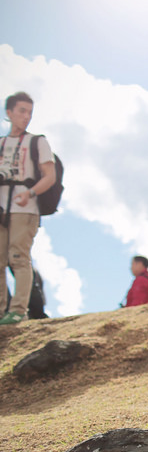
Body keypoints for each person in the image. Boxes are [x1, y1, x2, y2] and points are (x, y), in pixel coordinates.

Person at [0, 92, 58, 326]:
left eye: (29, 112)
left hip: (25, 208)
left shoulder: (38, 142)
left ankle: (18, 311)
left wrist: (31, 192)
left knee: (18, 257)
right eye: (22, 111)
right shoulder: (2, 144)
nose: (26, 116)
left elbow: (50, 176)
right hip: (2, 207)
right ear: (9, 113)